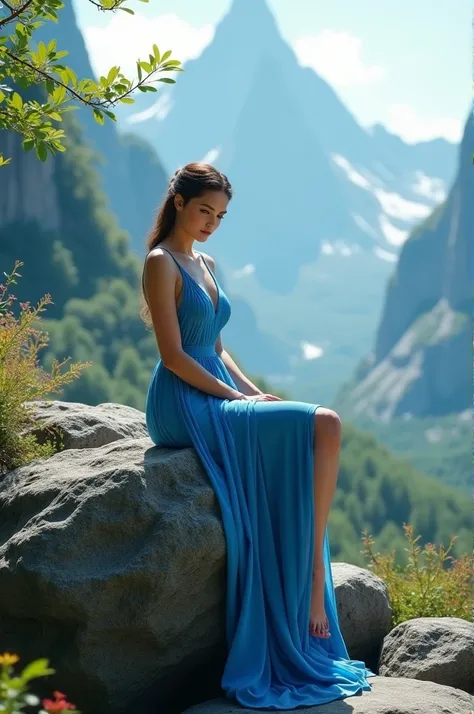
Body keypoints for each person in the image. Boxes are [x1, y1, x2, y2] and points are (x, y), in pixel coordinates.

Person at [140, 162, 375, 709]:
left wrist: (253, 391)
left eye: (220, 215)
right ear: (179, 202)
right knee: (324, 423)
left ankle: (310, 579)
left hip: (217, 387)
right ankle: (313, 582)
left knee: (314, 430)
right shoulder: (161, 262)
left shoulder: (207, 262)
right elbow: (174, 356)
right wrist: (235, 401)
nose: (211, 223)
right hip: (182, 400)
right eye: (204, 210)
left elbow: (217, 347)